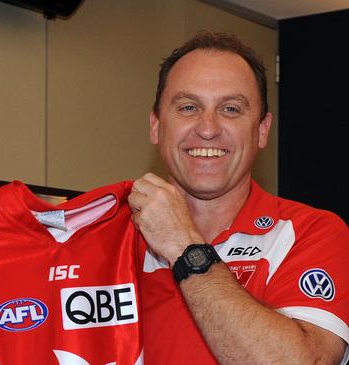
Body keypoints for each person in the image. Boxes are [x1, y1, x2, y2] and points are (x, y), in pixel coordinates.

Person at [128, 30, 349, 364]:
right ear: (156, 126)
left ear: (262, 130)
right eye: (188, 107)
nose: (207, 127)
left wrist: (185, 248)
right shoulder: (103, 239)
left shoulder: (311, 233)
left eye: (230, 109)